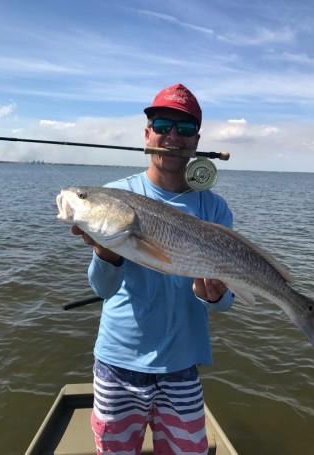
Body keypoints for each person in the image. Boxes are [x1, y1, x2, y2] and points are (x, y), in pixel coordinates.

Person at [72, 83, 234, 455]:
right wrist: (106, 253)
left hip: (182, 364)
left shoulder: (214, 208)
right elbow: (103, 289)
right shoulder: (113, 195)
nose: (172, 136)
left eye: (186, 129)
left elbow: (224, 304)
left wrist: (217, 295)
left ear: (196, 141)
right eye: (162, 124)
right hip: (118, 360)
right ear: (147, 133)